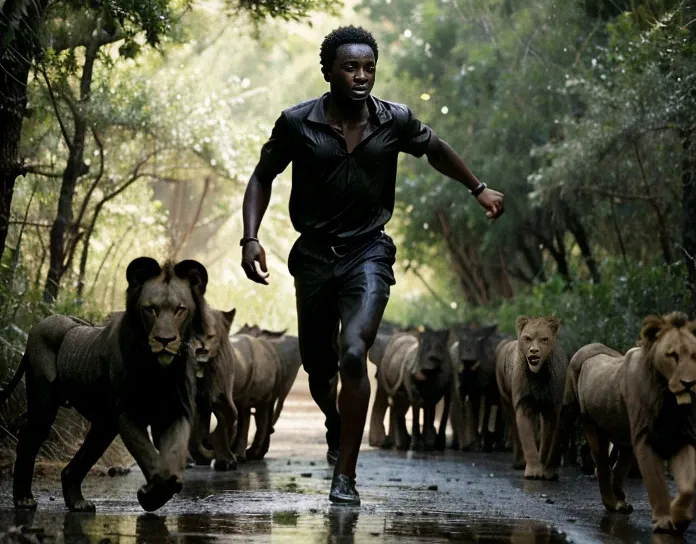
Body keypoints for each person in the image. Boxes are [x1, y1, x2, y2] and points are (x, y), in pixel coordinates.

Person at [240, 25, 505, 506]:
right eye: (350, 67)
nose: (362, 76)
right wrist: (251, 238)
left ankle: (346, 474)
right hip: (315, 255)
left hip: (369, 252)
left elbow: (437, 150)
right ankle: (337, 420)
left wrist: (478, 188)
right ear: (329, 72)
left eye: (369, 68)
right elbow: (262, 177)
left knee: (354, 352)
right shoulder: (297, 123)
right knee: (319, 371)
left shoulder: (394, 121)